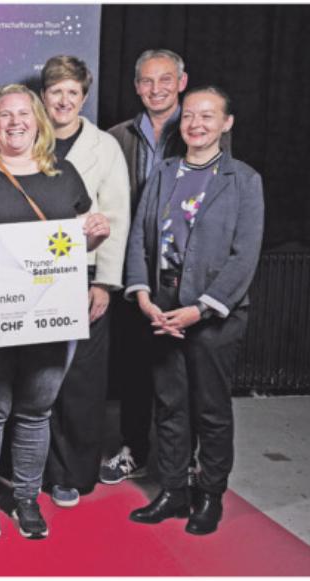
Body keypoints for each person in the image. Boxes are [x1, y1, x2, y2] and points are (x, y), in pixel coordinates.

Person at [0, 84, 109, 539]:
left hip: (50, 317)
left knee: (36, 411)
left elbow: (80, 243)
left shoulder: (65, 175)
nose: (14, 122)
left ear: (38, 120)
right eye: (4, 115)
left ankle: (25, 498)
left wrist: (95, 236)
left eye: (23, 114)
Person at [125, 86, 262, 536]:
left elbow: (244, 257)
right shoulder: (163, 173)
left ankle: (210, 495)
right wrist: (143, 295)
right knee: (169, 406)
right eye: (189, 116)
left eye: (208, 116)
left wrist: (200, 310)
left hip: (213, 316)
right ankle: (173, 490)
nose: (196, 124)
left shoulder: (244, 180)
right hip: (162, 309)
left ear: (227, 123)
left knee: (210, 410)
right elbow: (139, 240)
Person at [103, 49, 230, 484]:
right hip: (135, 269)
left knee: (189, 375)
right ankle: (134, 449)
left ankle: (190, 461)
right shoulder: (115, 137)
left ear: (181, 81)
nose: (155, 89)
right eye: (146, 81)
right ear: (136, 86)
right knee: (137, 367)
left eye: (165, 80)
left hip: (188, 273)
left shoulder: (199, 130)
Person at [39, 55, 131, 508]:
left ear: (84, 97)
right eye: (56, 91)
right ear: (44, 95)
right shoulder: (23, 138)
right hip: (32, 278)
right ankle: (33, 469)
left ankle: (72, 472)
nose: (63, 100)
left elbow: (115, 216)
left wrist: (105, 284)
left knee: (80, 381)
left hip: (85, 276)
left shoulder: (104, 147)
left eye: (72, 92)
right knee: (36, 377)